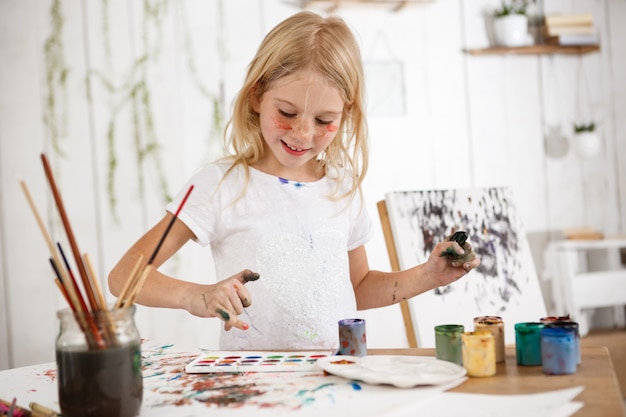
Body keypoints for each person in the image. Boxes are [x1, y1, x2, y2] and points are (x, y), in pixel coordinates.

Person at [108, 11, 480, 350]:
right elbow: (125, 276)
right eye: (287, 112)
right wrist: (197, 296)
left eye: (323, 120)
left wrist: (428, 275)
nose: (303, 134)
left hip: (339, 378)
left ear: (346, 112)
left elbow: (357, 287)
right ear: (257, 96)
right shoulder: (220, 185)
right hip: (253, 390)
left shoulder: (342, 187)